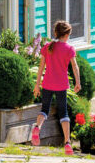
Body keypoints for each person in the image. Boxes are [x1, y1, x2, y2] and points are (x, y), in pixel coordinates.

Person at [31, 20, 81, 155]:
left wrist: (37, 85)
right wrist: (78, 82)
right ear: (67, 35)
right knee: (63, 113)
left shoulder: (48, 46)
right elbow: (75, 66)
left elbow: (41, 67)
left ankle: (37, 128)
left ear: (56, 33)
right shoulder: (69, 49)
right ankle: (67, 143)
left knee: (44, 110)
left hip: (47, 83)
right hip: (61, 85)